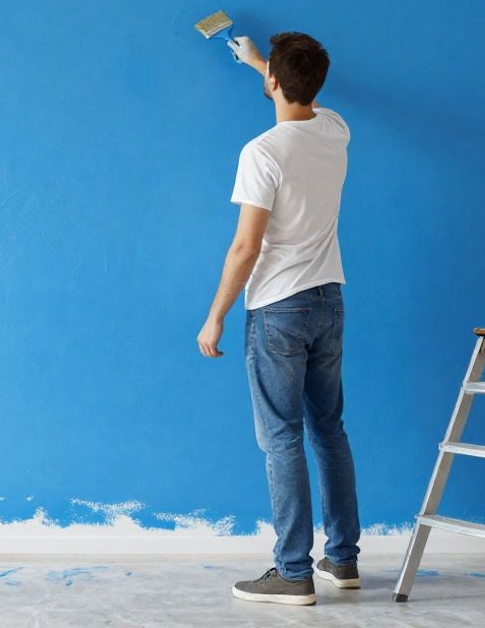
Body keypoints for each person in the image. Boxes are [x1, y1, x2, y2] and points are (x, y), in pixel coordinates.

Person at [196, 33, 361, 606]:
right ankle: (343, 560)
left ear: (272, 83)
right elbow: (299, 90)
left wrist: (214, 316)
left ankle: (293, 572)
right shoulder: (336, 130)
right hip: (328, 300)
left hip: (278, 308)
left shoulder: (261, 152)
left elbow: (245, 247)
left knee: (281, 438)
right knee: (329, 430)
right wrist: (262, 63)